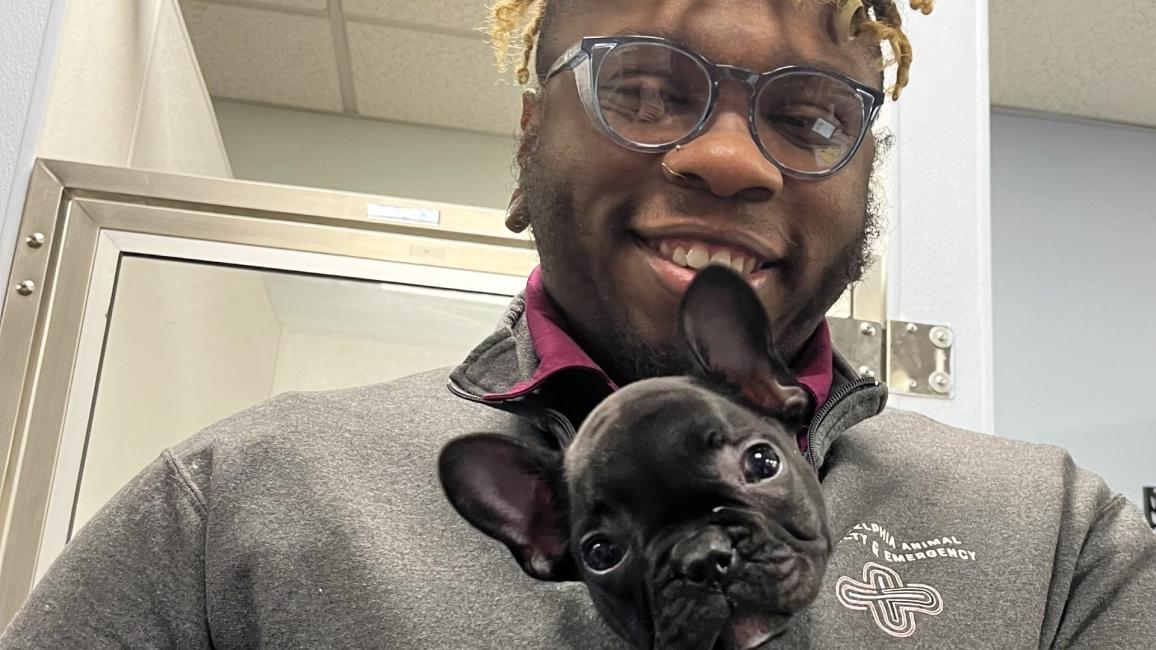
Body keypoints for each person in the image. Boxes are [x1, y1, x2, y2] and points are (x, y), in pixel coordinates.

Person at [4, 0, 1154, 647]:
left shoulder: (1058, 538)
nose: (723, 154)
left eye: (807, 115)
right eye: (646, 88)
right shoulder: (240, 502)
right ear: (524, 138)